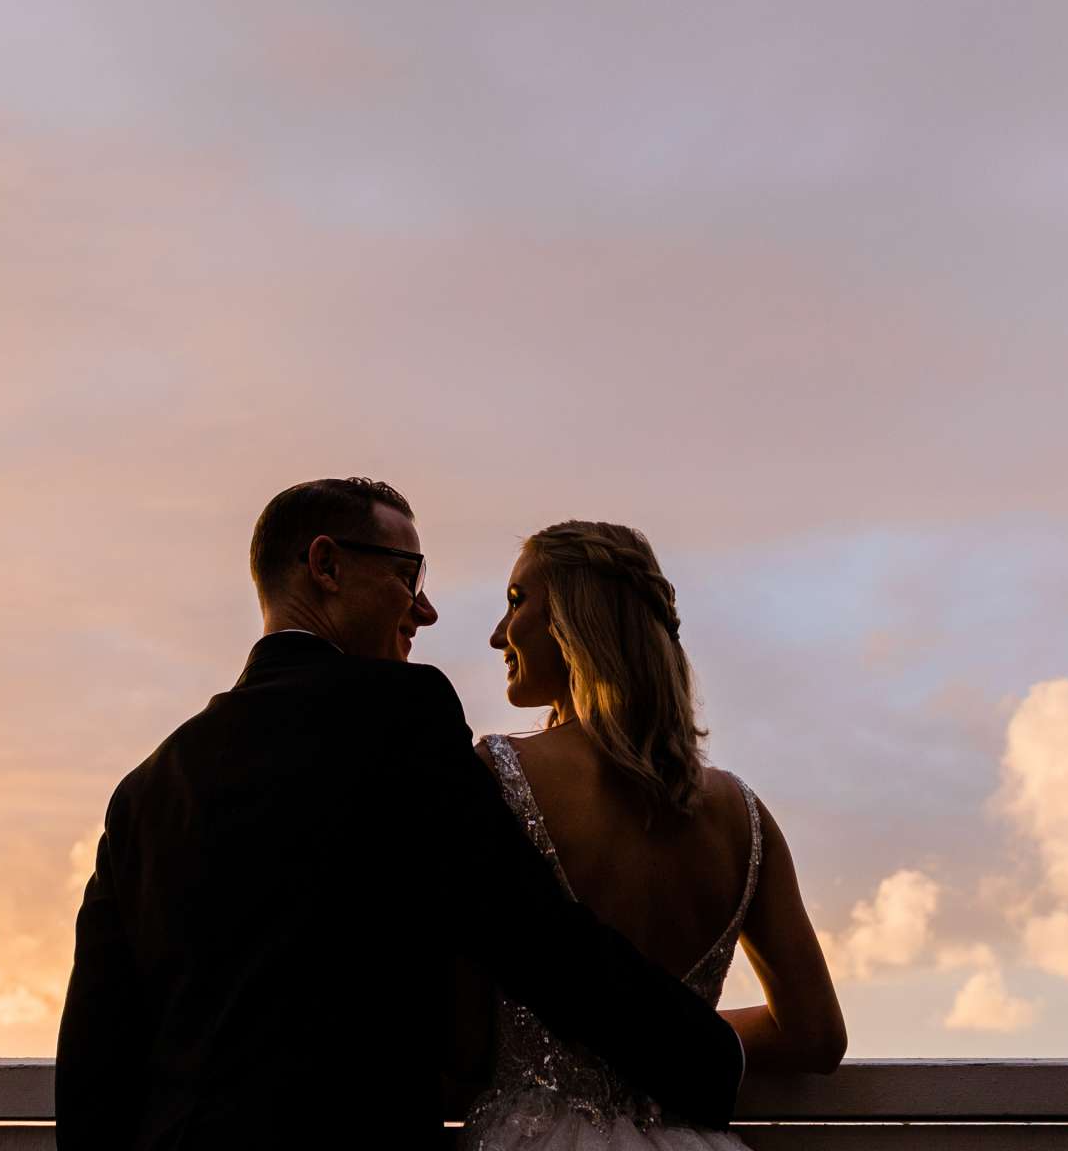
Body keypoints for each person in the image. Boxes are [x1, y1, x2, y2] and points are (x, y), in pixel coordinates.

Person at [56, 479, 744, 1150]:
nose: (426, 611)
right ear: (326, 564)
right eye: (408, 576)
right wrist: (710, 1056)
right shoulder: (400, 713)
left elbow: (97, 1055)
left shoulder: (146, 789)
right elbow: (528, 930)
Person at [461, 520, 845, 1151]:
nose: (499, 633)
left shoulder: (498, 777)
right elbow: (816, 1036)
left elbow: (462, 1031)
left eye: (516, 601)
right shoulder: (741, 814)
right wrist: (678, 1035)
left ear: (576, 619)